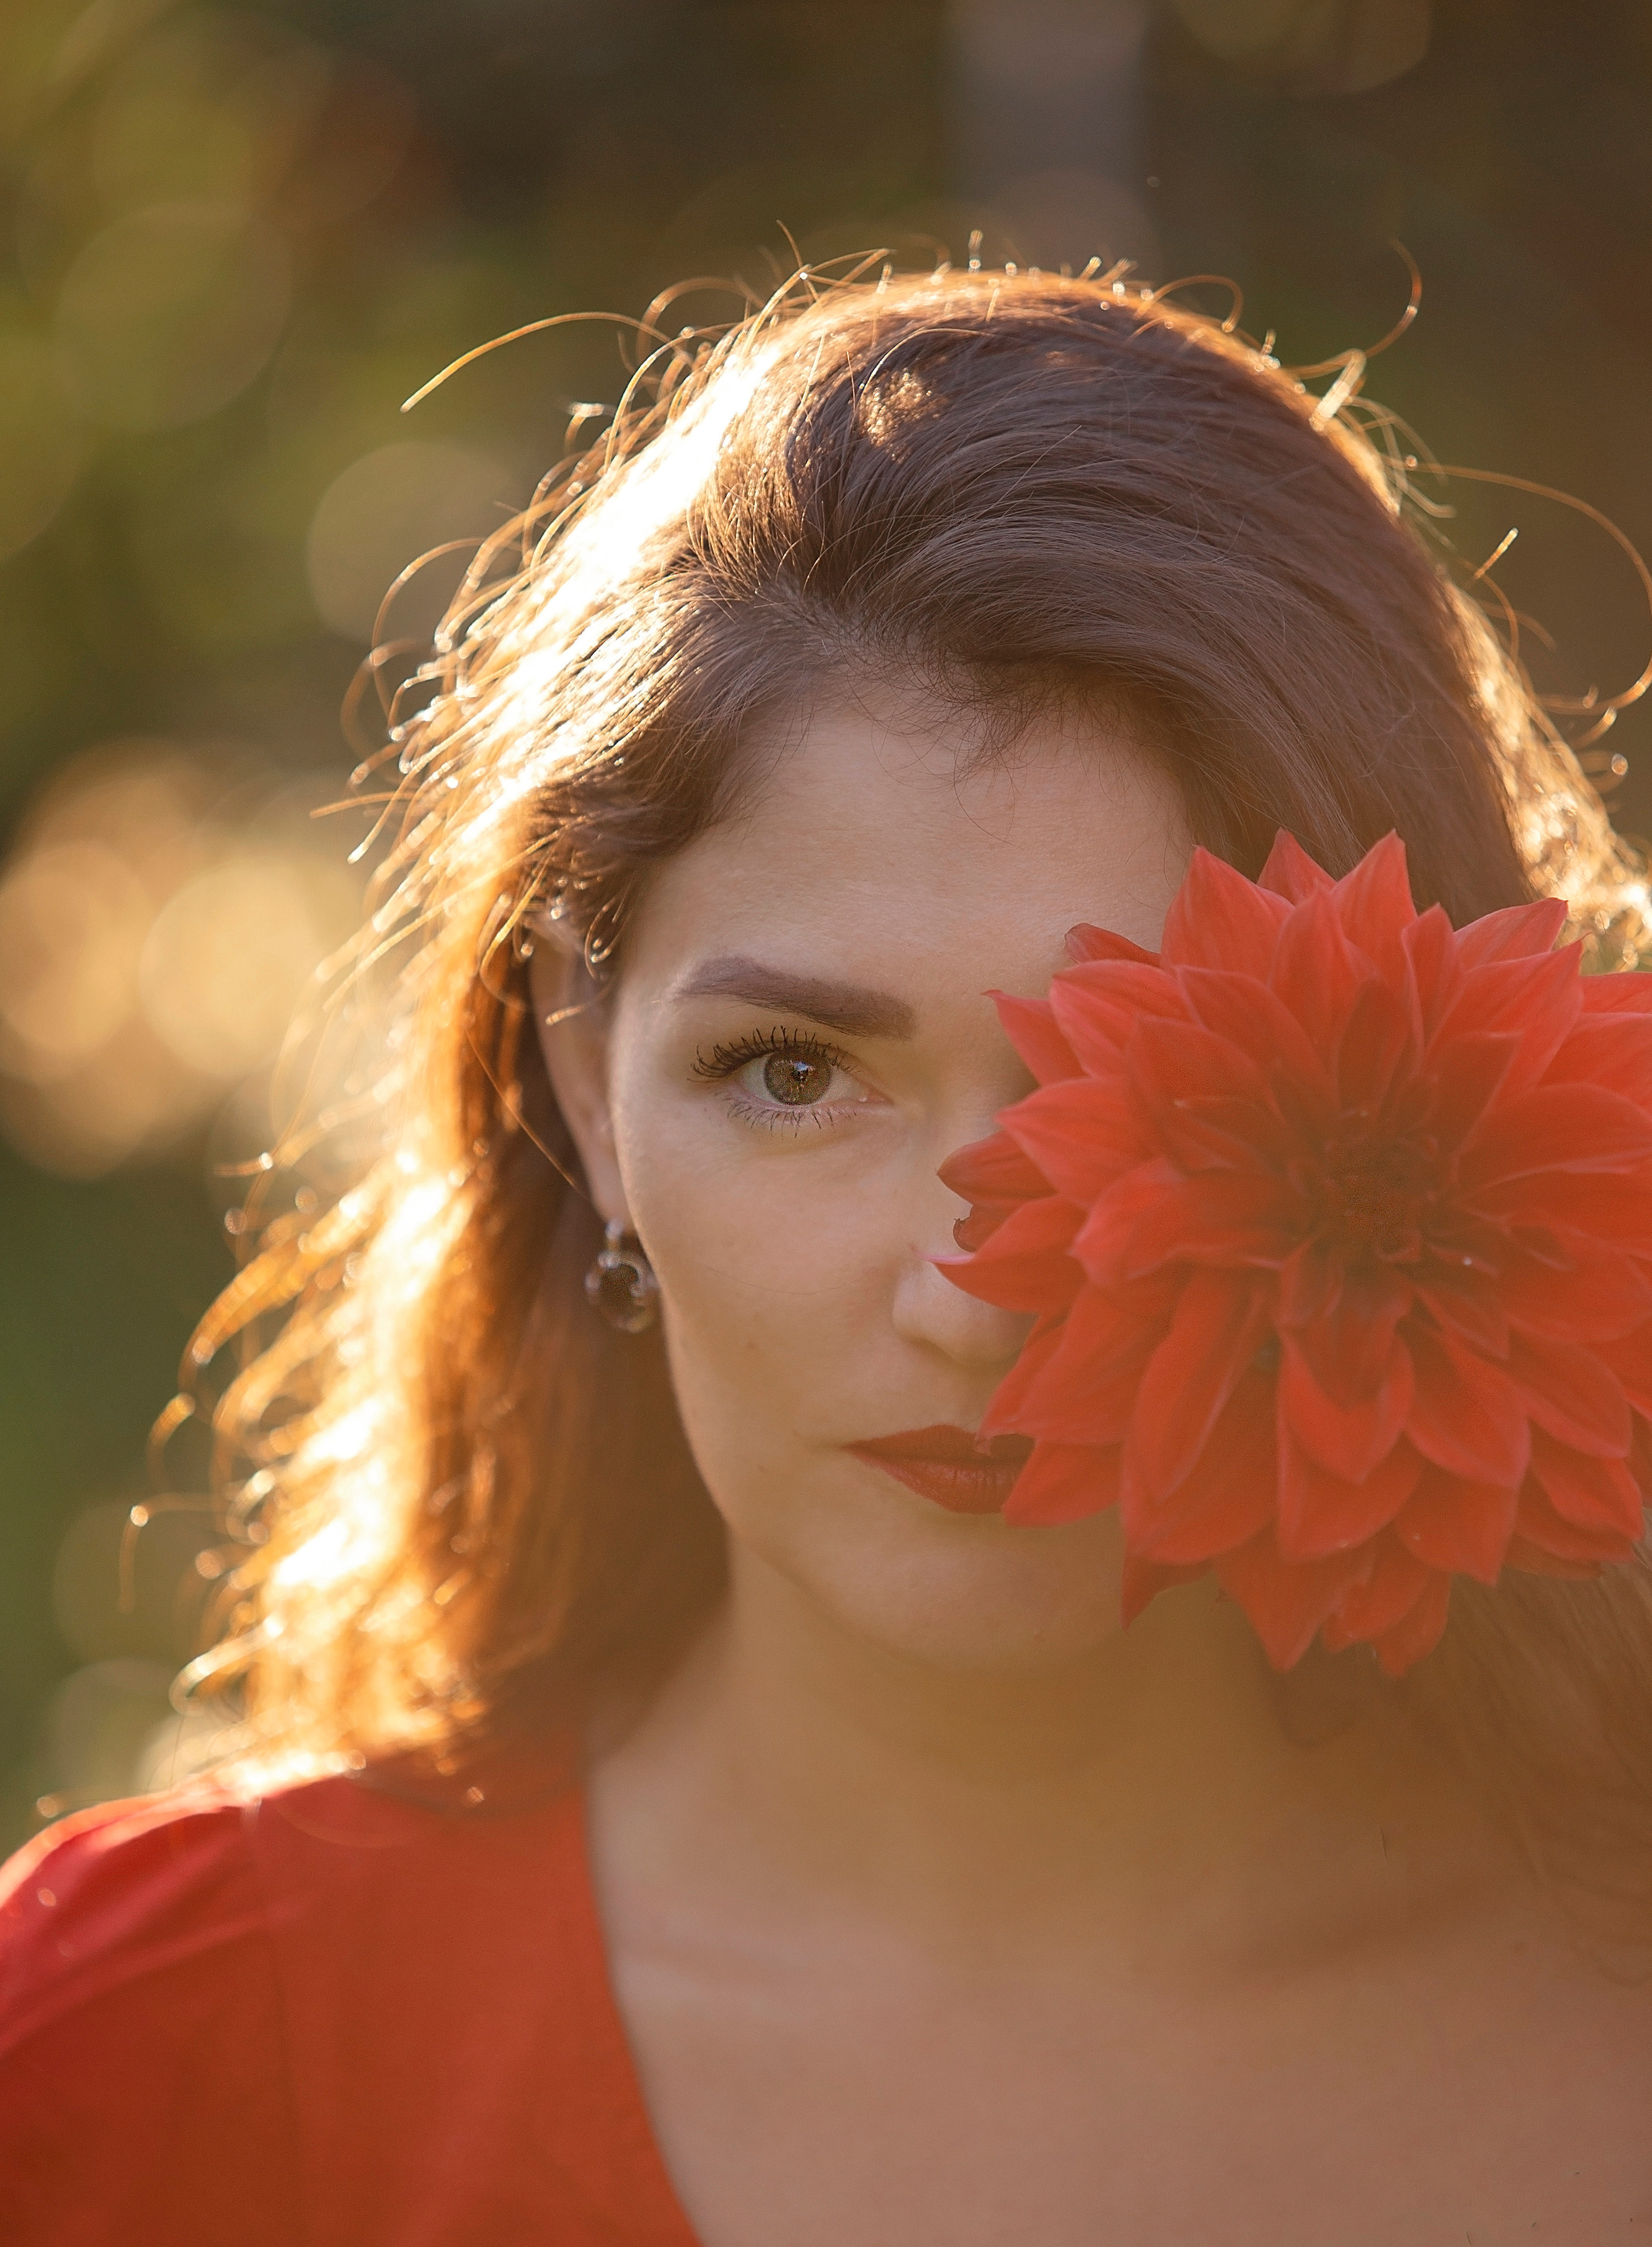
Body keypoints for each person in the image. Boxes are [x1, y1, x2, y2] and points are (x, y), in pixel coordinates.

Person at [3, 263, 1651, 2246]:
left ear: (1446, 1104)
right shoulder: (130, 2058)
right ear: (589, 1085)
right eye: (794, 1072)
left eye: (1112, 1084)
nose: (969, 1294)